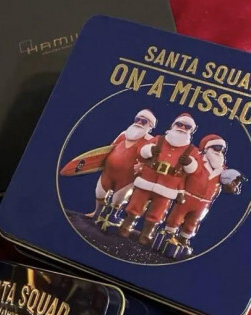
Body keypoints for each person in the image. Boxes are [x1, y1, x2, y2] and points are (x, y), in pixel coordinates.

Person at [118, 113, 199, 245]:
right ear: (173, 125)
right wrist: (149, 150)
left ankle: (147, 233)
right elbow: (141, 151)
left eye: (187, 127)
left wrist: (190, 163)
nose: (182, 128)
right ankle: (126, 226)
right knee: (135, 205)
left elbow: (194, 170)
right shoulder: (159, 139)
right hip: (146, 180)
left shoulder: (192, 150)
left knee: (157, 212)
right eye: (179, 124)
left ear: (191, 130)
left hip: (167, 187)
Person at [158, 134, 245, 256]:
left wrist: (232, 186)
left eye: (222, 149)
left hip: (204, 203)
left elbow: (227, 183)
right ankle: (168, 235)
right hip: (188, 196)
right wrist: (180, 191)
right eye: (216, 148)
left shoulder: (222, 169)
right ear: (207, 148)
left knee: (193, 222)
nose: (219, 152)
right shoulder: (197, 161)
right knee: (177, 217)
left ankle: (184, 240)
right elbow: (182, 176)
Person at [88, 109, 157, 229]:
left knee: (118, 199)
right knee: (100, 193)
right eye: (138, 119)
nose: (139, 122)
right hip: (108, 173)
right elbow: (109, 149)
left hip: (128, 177)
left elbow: (153, 161)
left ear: (150, 126)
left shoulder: (150, 141)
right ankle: (97, 213)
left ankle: (111, 217)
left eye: (144, 121)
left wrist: (143, 167)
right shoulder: (124, 134)